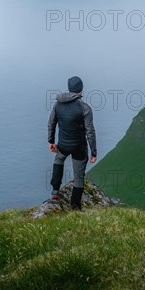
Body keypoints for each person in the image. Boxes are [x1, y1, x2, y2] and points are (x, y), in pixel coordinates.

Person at [47, 76, 97, 210]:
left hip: (63, 145)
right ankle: (75, 206)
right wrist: (93, 152)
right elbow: (90, 132)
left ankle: (55, 191)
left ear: (69, 89)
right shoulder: (85, 108)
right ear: (81, 90)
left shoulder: (57, 104)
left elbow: (51, 123)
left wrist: (51, 141)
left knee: (59, 159)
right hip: (79, 148)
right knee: (78, 176)